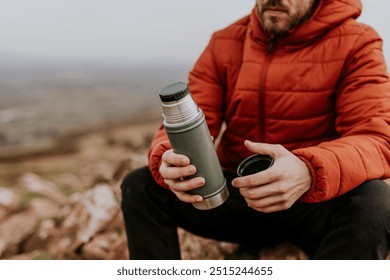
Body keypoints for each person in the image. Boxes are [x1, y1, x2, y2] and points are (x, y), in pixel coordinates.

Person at [121, 0, 390, 259]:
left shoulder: (357, 42)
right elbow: (196, 118)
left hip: (312, 199)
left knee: (378, 204)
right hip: (236, 195)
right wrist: (169, 159)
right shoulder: (225, 42)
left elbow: (376, 138)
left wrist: (310, 171)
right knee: (141, 186)